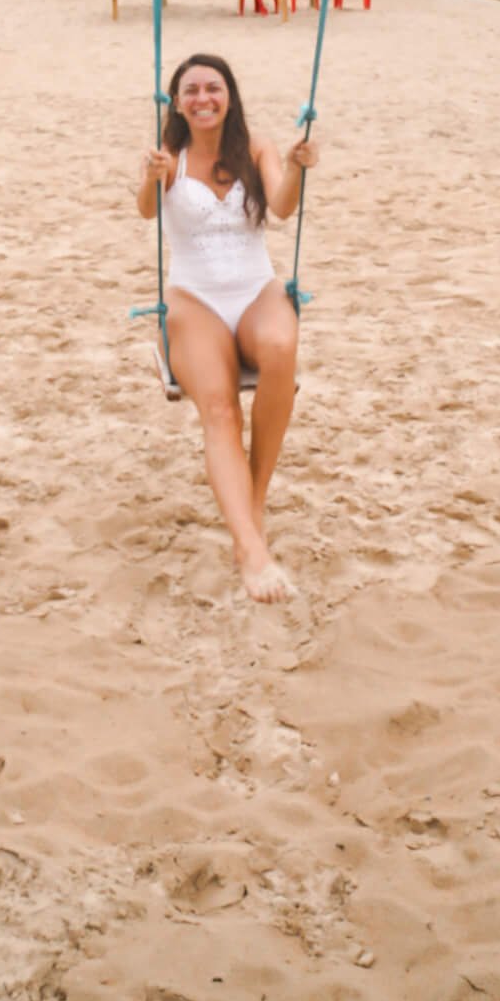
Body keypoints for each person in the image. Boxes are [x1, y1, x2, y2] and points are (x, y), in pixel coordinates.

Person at [137, 52, 318, 603]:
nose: (202, 98)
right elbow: (148, 213)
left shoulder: (255, 147)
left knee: (282, 350)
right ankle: (251, 552)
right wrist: (151, 179)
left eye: (212, 88)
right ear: (178, 102)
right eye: (190, 90)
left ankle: (252, 506)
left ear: (229, 95)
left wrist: (296, 169)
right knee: (220, 408)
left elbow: (282, 209)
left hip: (254, 288)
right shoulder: (168, 155)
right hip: (195, 298)